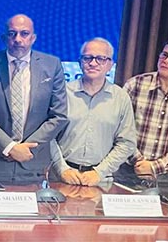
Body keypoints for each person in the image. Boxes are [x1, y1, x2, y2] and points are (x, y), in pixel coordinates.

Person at [0, 14, 68, 182]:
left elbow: (59, 116)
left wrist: (25, 149)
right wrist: (10, 147)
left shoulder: (52, 66)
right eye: (12, 33)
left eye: (24, 33)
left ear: (33, 38)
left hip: (33, 161)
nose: (18, 39)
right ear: (4, 38)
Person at [51, 38, 136, 186]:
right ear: (80, 62)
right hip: (61, 177)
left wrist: (99, 172)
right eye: (87, 58)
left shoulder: (121, 98)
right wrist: (62, 169)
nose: (93, 63)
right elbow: (49, 137)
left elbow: (127, 143)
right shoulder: (62, 93)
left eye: (101, 59)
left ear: (110, 65)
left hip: (101, 181)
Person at [119, 40, 168, 179]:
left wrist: (155, 167)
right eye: (164, 55)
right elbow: (117, 128)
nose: (166, 61)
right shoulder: (135, 85)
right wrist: (139, 162)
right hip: (128, 170)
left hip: (165, 175)